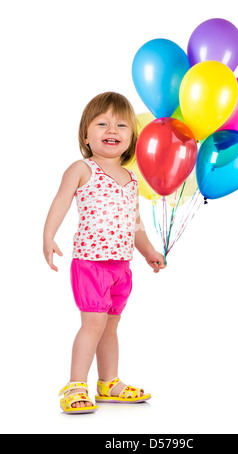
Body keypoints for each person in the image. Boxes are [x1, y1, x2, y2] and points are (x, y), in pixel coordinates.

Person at [43, 92, 166, 414]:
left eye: (121, 124)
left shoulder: (130, 178)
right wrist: (48, 235)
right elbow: (60, 201)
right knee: (93, 324)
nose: (112, 129)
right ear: (86, 135)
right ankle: (75, 384)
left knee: (111, 325)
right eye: (102, 123)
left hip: (121, 267)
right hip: (91, 264)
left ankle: (108, 382)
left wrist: (149, 250)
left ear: (131, 137)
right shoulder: (82, 168)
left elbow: (135, 223)